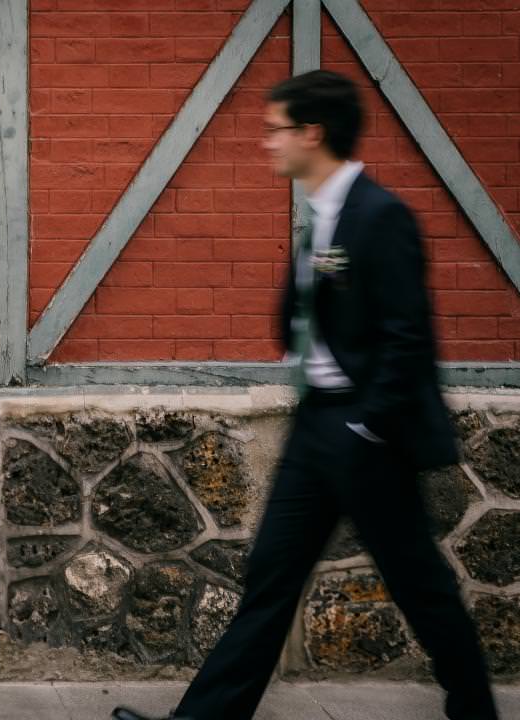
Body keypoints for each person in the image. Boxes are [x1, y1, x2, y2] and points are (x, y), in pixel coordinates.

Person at [113, 70, 498, 720]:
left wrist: (368, 426)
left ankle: (475, 711)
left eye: (277, 130)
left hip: (365, 435)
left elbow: (407, 335)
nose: (268, 142)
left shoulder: (381, 217)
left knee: (419, 584)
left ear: (312, 133)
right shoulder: (322, 216)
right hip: (318, 426)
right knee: (271, 576)